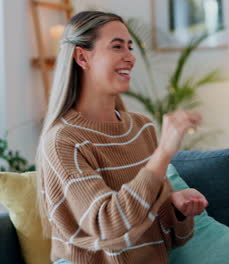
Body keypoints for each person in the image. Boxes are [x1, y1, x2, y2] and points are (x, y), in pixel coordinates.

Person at [35, 11, 208, 264]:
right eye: (117, 47)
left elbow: (170, 235)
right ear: (82, 57)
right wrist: (163, 152)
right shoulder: (63, 141)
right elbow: (108, 225)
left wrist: (177, 208)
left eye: (130, 47)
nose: (130, 57)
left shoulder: (141, 127)